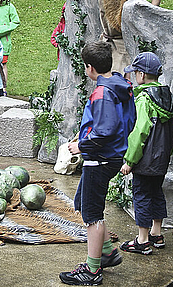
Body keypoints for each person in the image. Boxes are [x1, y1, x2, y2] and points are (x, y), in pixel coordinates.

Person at [59, 41, 136, 285]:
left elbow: (105, 130)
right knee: (82, 203)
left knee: (93, 214)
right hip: (109, 157)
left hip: (99, 160)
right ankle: (108, 252)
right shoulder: (120, 85)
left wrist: (81, 146)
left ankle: (92, 271)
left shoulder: (102, 93)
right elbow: (125, 122)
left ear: (89, 68)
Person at [119, 52, 173, 255]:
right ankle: (156, 234)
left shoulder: (144, 98)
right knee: (156, 192)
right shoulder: (167, 96)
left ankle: (142, 240)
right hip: (161, 158)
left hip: (144, 159)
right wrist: (166, 155)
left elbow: (140, 131)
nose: (134, 76)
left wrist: (129, 160)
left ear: (142, 75)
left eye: (135, 72)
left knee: (141, 195)